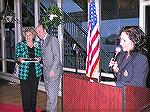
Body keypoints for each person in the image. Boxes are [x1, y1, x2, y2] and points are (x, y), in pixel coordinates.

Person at [35, 25, 63, 112]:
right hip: (46, 72)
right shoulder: (43, 41)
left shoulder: (52, 39)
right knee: (49, 93)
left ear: (45, 30)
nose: (37, 34)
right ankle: (48, 110)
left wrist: (53, 70)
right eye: (37, 32)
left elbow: (56, 57)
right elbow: (46, 56)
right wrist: (40, 59)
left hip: (53, 72)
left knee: (52, 96)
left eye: (39, 31)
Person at [15, 27, 42, 112]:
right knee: (25, 94)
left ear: (33, 36)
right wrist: (19, 59)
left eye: (29, 35)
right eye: (26, 35)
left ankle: (33, 109)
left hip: (35, 72)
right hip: (24, 72)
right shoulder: (20, 45)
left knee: (34, 93)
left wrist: (39, 58)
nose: (28, 37)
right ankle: (26, 110)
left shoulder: (37, 44)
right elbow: (16, 57)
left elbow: (40, 55)